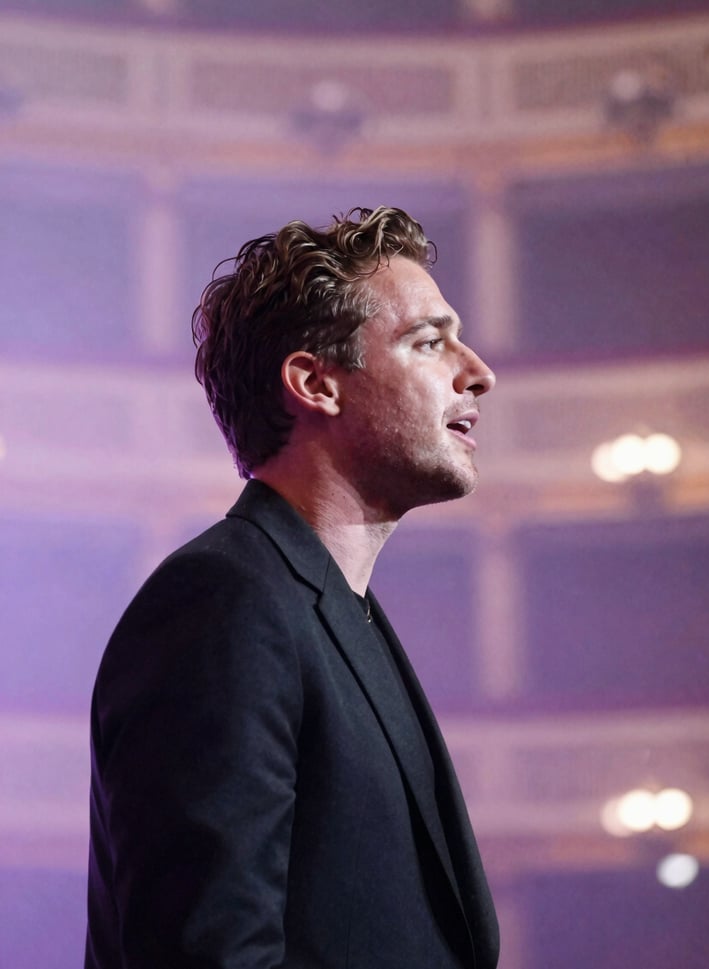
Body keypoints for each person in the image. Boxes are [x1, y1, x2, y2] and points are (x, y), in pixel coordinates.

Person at [85, 206, 499, 969]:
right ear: (315, 383)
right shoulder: (222, 604)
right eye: (428, 341)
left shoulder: (336, 614)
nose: (478, 371)